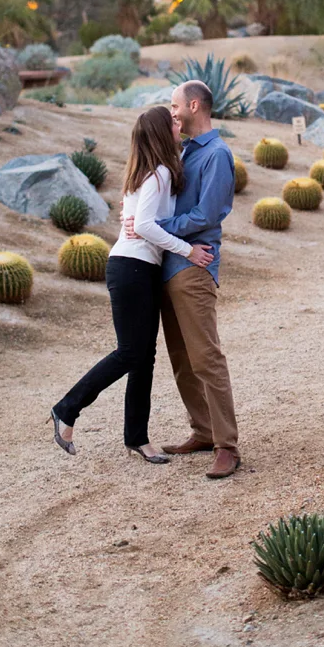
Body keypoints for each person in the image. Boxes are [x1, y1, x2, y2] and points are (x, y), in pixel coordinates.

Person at [50, 106, 214, 462]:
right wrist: (188, 250)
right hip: (132, 268)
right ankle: (67, 408)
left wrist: (141, 226)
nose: (178, 122)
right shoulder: (157, 174)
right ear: (159, 131)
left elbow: (135, 219)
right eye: (171, 121)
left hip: (137, 267)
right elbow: (144, 226)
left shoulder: (149, 171)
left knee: (144, 358)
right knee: (131, 353)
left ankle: (137, 438)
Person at [124, 79, 241, 479]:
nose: (172, 113)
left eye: (175, 106)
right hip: (166, 266)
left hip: (193, 267)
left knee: (206, 358)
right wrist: (136, 216)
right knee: (182, 360)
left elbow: (208, 214)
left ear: (194, 105)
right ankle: (204, 431)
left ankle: (227, 445)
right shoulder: (183, 150)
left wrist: (158, 226)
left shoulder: (218, 155)